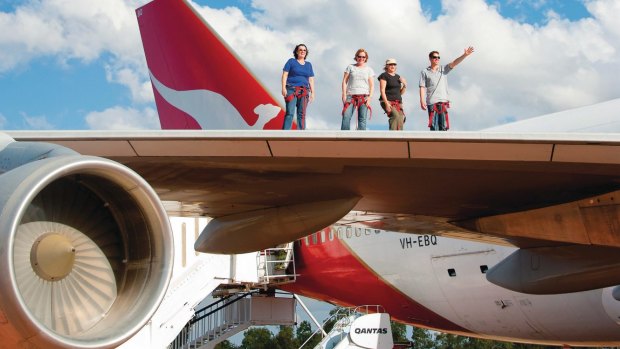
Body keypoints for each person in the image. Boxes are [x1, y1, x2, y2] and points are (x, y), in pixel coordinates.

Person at [419, 47, 474, 131]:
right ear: (430, 58)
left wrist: (465, 55)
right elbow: (422, 87)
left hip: (443, 102)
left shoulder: (443, 69)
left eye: (438, 57)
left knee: (443, 127)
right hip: (431, 103)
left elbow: (454, 63)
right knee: (434, 127)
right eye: (435, 57)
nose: (437, 59)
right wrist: (422, 100)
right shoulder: (425, 72)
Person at [281, 44, 315, 130]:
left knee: (302, 114)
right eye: (300, 50)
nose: (302, 51)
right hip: (291, 89)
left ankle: (301, 133)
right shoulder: (291, 61)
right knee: (290, 112)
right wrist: (283, 88)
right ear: (297, 51)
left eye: (304, 50)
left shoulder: (308, 65)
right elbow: (285, 75)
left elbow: (311, 79)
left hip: (304, 91)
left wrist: (313, 93)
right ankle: (285, 133)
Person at [341, 49, 374, 130]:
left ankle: (361, 140)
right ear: (356, 57)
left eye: (363, 57)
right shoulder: (350, 67)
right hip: (351, 95)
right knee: (346, 116)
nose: (361, 58)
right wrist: (344, 95)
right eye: (359, 56)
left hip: (364, 96)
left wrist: (370, 98)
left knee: (362, 119)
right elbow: (344, 81)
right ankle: (344, 138)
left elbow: (372, 85)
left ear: (366, 58)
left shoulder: (369, 70)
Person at [378, 58, 407, 131]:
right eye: (391, 64)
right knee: (395, 116)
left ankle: (400, 138)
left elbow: (400, 93)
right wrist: (387, 104)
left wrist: (405, 85)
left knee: (400, 119)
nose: (393, 66)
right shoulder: (384, 75)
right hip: (388, 101)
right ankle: (392, 136)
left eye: (394, 64)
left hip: (398, 102)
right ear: (387, 66)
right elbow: (382, 90)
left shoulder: (398, 77)